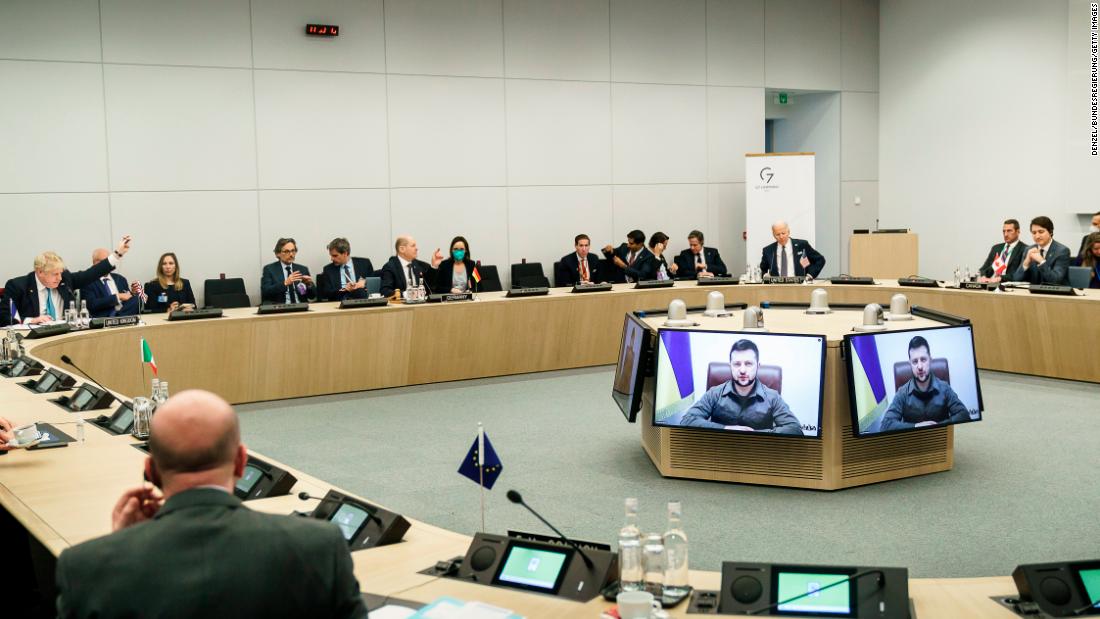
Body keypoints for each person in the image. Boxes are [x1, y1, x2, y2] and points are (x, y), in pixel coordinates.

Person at [54, 390, 368, 619]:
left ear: (150, 471)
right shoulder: (319, 547)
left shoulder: (85, 566)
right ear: (241, 462)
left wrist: (120, 546)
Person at [680, 339, 804, 435]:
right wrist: (726, 429)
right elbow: (687, 420)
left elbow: (795, 429)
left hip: (759, 453)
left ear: (758, 366)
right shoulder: (715, 393)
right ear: (730, 366)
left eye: (749, 364)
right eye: (737, 364)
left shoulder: (772, 397)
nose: (743, 370)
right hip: (719, 453)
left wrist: (753, 435)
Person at [1, 236, 132, 326]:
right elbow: (4, 318)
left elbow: (92, 273)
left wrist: (117, 254)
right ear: (40, 272)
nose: (59, 278)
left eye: (60, 273)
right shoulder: (18, 286)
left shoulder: (65, 280)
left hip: (64, 333)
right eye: (54, 274)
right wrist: (32, 320)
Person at [880, 336, 971, 431]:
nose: (919, 366)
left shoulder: (944, 388)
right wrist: (916, 427)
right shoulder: (902, 392)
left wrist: (936, 427)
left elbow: (964, 415)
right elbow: (885, 425)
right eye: (915, 361)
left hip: (941, 438)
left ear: (930, 360)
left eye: (923, 360)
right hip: (912, 441)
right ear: (910, 364)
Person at [81, 248, 142, 318]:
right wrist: (117, 297)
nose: (110, 264)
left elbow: (127, 300)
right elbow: (91, 304)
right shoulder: (87, 281)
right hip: (103, 317)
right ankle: (116, 317)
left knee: (137, 299)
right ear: (96, 263)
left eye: (110, 261)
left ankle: (117, 317)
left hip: (123, 313)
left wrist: (132, 293)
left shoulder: (120, 279)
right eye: (106, 261)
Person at [1012, 216, 1071, 285]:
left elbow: (1055, 280)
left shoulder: (1062, 251)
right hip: (1033, 293)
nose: (1037, 236)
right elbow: (1016, 279)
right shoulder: (1028, 250)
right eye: (1034, 233)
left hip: (1056, 293)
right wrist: (1025, 264)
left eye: (1041, 232)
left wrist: (1041, 261)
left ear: (1050, 232)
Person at [759, 221, 825, 278]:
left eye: (783, 233)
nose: (781, 237)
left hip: (799, 285)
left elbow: (820, 260)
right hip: (777, 286)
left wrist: (810, 275)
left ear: (788, 232)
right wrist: (765, 276)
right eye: (778, 234)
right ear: (773, 234)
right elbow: (762, 269)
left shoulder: (802, 245)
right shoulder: (768, 250)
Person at [260, 238, 315, 304]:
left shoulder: (302, 269)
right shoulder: (269, 269)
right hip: (280, 308)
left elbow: (311, 296)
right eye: (286, 251)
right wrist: (285, 283)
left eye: (293, 251)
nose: (291, 254)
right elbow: (266, 292)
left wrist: (308, 285)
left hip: (300, 307)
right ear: (278, 254)